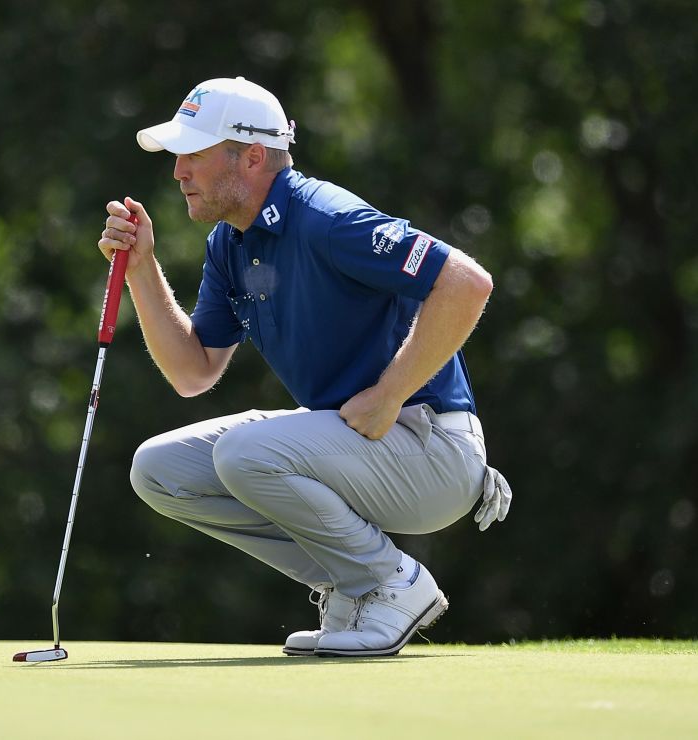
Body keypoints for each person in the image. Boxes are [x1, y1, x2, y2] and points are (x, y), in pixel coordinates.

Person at [97, 76, 511, 657]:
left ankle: (390, 583)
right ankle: (352, 581)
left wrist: (391, 392)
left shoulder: (327, 219)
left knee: (245, 453)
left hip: (430, 448)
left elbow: (468, 283)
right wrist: (142, 268)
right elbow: (194, 372)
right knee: (159, 469)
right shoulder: (230, 243)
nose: (178, 171)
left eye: (193, 154)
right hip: (357, 447)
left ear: (253, 156)